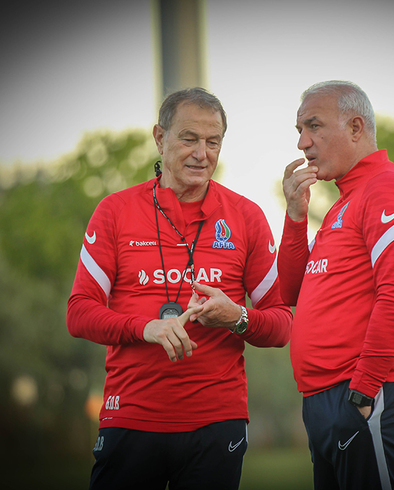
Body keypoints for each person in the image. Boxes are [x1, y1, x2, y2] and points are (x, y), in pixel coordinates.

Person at [67, 87, 292, 490]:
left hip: (217, 422)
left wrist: (236, 317)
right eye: (189, 139)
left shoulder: (247, 217)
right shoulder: (115, 211)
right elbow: (79, 312)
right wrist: (145, 328)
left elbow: (281, 324)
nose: (201, 154)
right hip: (131, 415)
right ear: (160, 137)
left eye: (213, 142)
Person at [278, 81, 394, 490]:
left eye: (314, 126)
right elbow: (290, 293)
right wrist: (295, 216)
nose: (302, 142)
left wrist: (363, 394)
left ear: (356, 128)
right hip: (326, 400)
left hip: (365, 395)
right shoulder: (344, 202)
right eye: (299, 130)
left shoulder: (388, 189)